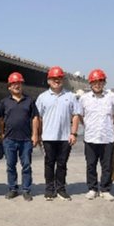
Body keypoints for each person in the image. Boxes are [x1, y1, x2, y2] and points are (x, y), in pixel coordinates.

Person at [35, 66, 80, 201]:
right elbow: (38, 118)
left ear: (63, 80)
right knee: (49, 164)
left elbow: (75, 115)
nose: (56, 81)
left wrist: (73, 133)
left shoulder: (70, 96)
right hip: (48, 137)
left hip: (65, 137)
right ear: (48, 80)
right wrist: (38, 135)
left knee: (62, 164)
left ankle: (61, 189)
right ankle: (49, 189)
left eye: (59, 78)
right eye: (54, 78)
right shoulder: (42, 97)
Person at [77, 69, 114, 201]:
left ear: (104, 83)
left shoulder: (111, 96)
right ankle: (92, 189)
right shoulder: (84, 98)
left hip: (107, 137)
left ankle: (105, 189)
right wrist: (89, 125)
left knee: (107, 166)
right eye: (94, 82)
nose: (97, 84)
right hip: (90, 137)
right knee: (91, 165)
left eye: (100, 82)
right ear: (90, 83)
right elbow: (80, 116)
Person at [0, 72, 40, 201]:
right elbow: (0, 120)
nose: (17, 86)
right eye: (14, 84)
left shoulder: (29, 101)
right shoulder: (4, 102)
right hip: (9, 139)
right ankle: (13, 189)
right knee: (10, 166)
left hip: (26, 140)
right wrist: (2, 134)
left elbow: (35, 118)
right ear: (9, 87)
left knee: (26, 165)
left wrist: (35, 135)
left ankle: (26, 190)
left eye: (19, 83)